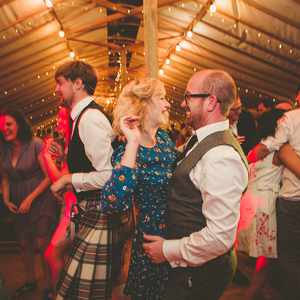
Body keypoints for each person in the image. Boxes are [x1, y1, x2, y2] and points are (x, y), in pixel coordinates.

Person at [143, 69, 248, 300]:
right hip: (190, 268)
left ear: (211, 102)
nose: (182, 103)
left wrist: (167, 250)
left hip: (200, 274)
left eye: (189, 96)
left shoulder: (220, 156)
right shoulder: (201, 139)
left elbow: (220, 237)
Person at [50, 61, 127, 299]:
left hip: (101, 213)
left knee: (83, 292)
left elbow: (108, 176)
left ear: (78, 83)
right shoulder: (83, 116)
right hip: (94, 212)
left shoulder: (90, 117)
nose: (56, 90)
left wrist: (69, 179)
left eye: (60, 83)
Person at [100, 78, 177, 300]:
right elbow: (112, 202)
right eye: (161, 98)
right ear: (142, 105)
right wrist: (133, 142)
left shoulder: (163, 139)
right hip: (153, 243)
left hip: (180, 237)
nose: (167, 104)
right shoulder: (127, 153)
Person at [0, 107, 58, 300]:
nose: (4, 128)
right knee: (24, 244)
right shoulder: (4, 149)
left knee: (42, 244)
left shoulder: (36, 144)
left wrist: (30, 198)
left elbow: (49, 177)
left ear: (19, 124)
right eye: (2, 125)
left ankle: (49, 286)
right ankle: (30, 280)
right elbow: (6, 177)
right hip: (17, 201)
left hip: (40, 200)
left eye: (9, 124)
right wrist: (6, 199)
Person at [247, 104, 300, 299]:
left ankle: (264, 290)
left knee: (271, 256)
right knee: (270, 256)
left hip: (259, 201)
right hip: (271, 202)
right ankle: (257, 292)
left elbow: (249, 160)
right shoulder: (279, 146)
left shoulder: (262, 145)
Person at [238, 109, 285, 299]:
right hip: (264, 202)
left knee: (244, 251)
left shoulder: (255, 148)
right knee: (266, 255)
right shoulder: (278, 149)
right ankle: (253, 292)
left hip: (248, 200)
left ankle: (257, 288)